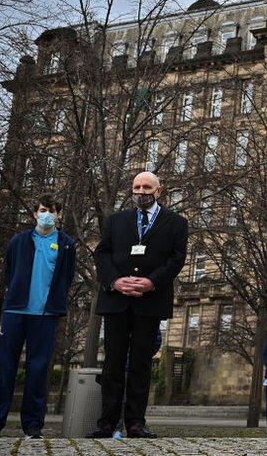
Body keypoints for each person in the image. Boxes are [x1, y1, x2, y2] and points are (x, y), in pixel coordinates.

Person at [88, 172, 188, 439]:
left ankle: (135, 423)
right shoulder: (116, 220)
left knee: (141, 364)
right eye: (136, 187)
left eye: (146, 187)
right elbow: (102, 253)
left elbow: (177, 259)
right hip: (117, 301)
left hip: (149, 302)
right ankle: (106, 422)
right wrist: (115, 281)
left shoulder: (176, 223)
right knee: (113, 363)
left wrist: (151, 282)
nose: (140, 191)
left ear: (159, 190)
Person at [0, 194, 76, 439]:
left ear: (58, 215)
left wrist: (55, 301)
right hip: (15, 312)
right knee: (5, 368)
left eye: (53, 211)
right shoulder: (18, 241)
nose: (47, 214)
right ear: (35, 213)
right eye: (43, 210)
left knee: (38, 370)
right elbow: (9, 271)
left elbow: (68, 276)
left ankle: (33, 425)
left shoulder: (66, 244)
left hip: (45, 315)